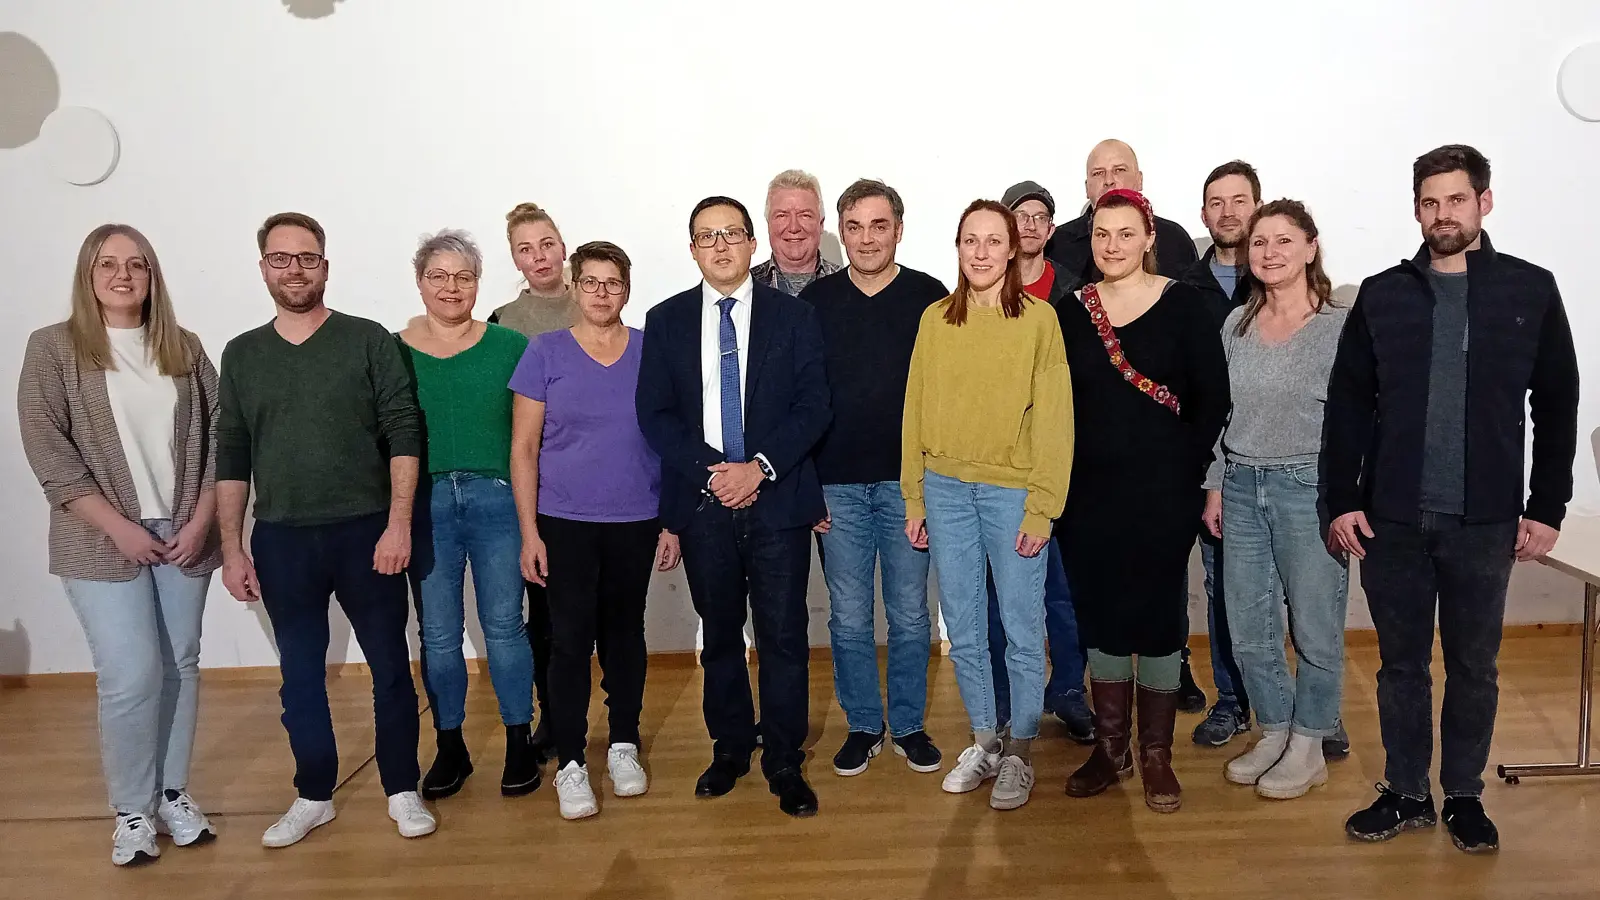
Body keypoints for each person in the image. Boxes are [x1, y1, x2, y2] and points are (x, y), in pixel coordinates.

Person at [1329, 145, 1579, 853]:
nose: (1443, 214)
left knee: (1474, 666)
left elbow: (1557, 403)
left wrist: (1547, 506)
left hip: (1486, 520)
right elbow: (1347, 405)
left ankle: (1464, 794)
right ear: (1417, 209)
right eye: (1430, 202)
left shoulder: (1530, 289)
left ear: (1484, 202)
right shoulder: (1383, 294)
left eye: (1457, 200)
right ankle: (1408, 792)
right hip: (1395, 519)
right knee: (1401, 665)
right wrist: (1339, 500)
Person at [216, 212, 436, 846]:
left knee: (392, 667)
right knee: (300, 675)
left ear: (325, 266)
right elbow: (231, 451)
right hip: (282, 539)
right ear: (263, 267)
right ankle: (314, 792)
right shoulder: (243, 353)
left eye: (307, 257)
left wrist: (398, 525)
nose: (295, 269)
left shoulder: (368, 340)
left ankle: (401, 786)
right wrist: (232, 548)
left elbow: (404, 430)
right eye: (282, 258)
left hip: (367, 531)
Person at [18, 225, 221, 867]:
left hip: (184, 534)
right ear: (88, 274)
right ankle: (132, 810)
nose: (123, 274)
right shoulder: (53, 349)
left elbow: (224, 440)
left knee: (181, 663)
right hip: (100, 540)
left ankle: (171, 793)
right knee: (132, 673)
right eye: (109, 264)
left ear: (152, 274)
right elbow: (47, 448)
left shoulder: (184, 348)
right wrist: (118, 525)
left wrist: (200, 520)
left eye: (137, 264)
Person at [636, 196, 831, 817]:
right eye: (706, 237)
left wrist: (760, 469)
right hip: (705, 504)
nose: (720, 246)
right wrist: (714, 475)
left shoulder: (793, 318)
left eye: (731, 235)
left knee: (782, 634)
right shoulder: (665, 321)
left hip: (776, 499)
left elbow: (813, 407)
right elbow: (655, 415)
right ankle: (728, 749)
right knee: (719, 633)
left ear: (753, 245)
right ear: (692, 250)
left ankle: (783, 758)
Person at [1056, 189, 1229, 814]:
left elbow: (1212, 398)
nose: (1112, 246)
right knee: (1099, 616)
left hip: (1163, 492)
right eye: (1102, 234)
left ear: (1149, 236)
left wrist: (1186, 469)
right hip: (1087, 496)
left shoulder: (1185, 307)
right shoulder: (1070, 312)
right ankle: (1110, 748)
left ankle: (1157, 755)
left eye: (1126, 234)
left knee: (1158, 619)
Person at [903, 199, 1072, 811]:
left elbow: (1056, 421)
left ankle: (1021, 751)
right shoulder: (932, 320)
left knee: (1023, 630)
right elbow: (914, 409)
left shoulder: (1039, 321)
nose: (980, 252)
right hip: (944, 490)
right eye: (969, 241)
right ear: (957, 248)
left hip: (1012, 495)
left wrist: (1042, 506)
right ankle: (984, 739)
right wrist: (915, 497)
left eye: (992, 241)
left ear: (1012, 250)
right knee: (965, 628)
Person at [509, 241, 682, 820]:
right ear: (574, 286)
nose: (602, 293)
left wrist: (670, 523)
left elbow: (670, 442)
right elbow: (524, 449)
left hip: (636, 519)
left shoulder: (650, 351)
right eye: (591, 282)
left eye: (613, 283)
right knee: (568, 643)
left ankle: (624, 744)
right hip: (565, 522)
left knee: (625, 638)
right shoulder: (545, 352)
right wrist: (530, 533)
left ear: (627, 289)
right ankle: (572, 762)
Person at [1201, 200, 1351, 801]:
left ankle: (1311, 742)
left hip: (1307, 487)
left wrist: (1348, 495)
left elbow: (1356, 420)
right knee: (1248, 626)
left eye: (1284, 241)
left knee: (1314, 626)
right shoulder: (1235, 326)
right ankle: (1274, 728)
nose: (1270, 252)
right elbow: (1221, 413)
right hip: (1239, 485)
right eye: (1260, 243)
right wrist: (1215, 480)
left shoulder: (1338, 328)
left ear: (1311, 247)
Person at [801, 179, 947, 777]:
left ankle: (908, 723)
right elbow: (800, 399)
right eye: (854, 227)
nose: (866, 239)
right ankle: (864, 723)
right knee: (850, 615)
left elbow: (944, 396)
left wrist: (933, 485)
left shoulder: (931, 298)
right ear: (842, 231)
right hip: (836, 487)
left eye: (878, 225)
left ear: (898, 230)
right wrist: (807, 483)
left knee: (912, 614)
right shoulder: (815, 301)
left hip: (908, 485)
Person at [397, 230, 539, 802]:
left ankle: (518, 740)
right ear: (420, 281)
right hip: (426, 503)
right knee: (438, 633)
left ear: (479, 283)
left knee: (505, 627)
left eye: (464, 276)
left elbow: (530, 436)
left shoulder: (510, 345)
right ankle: (450, 744)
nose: (451, 287)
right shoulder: (391, 349)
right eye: (439, 276)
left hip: (497, 499)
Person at [981, 180, 1093, 744]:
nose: (1027, 226)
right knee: (1001, 595)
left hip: (1055, 467)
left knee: (1061, 592)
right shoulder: (977, 295)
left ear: (1051, 229)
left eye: (1038, 217)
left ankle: (1068, 690)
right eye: (1016, 217)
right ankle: (1004, 700)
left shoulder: (1075, 296)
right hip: (997, 476)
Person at [487, 201, 574, 761]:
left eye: (546, 243)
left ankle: (620, 728)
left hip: (597, 484)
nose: (538, 256)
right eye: (526, 248)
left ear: (563, 246)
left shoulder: (596, 300)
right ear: (515, 258)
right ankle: (552, 719)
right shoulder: (503, 323)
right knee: (544, 616)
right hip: (539, 489)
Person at [1181, 161, 1261, 749]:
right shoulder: (1187, 288)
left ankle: (1305, 710)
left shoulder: (1284, 276)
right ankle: (1232, 701)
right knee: (1222, 587)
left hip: (1280, 463)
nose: (1228, 211)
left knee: (1286, 593)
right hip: (1209, 467)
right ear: (1204, 215)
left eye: (1239, 200)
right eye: (1217, 202)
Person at [1045, 140, 1199, 291]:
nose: (1109, 180)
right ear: (1087, 188)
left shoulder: (1175, 239)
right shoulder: (1057, 244)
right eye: (1098, 173)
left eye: (1119, 170)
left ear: (1140, 180)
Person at [749, 169, 842, 295]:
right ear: (768, 224)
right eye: (782, 216)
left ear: (821, 224)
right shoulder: (747, 285)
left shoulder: (849, 285)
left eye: (804, 215)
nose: (793, 227)